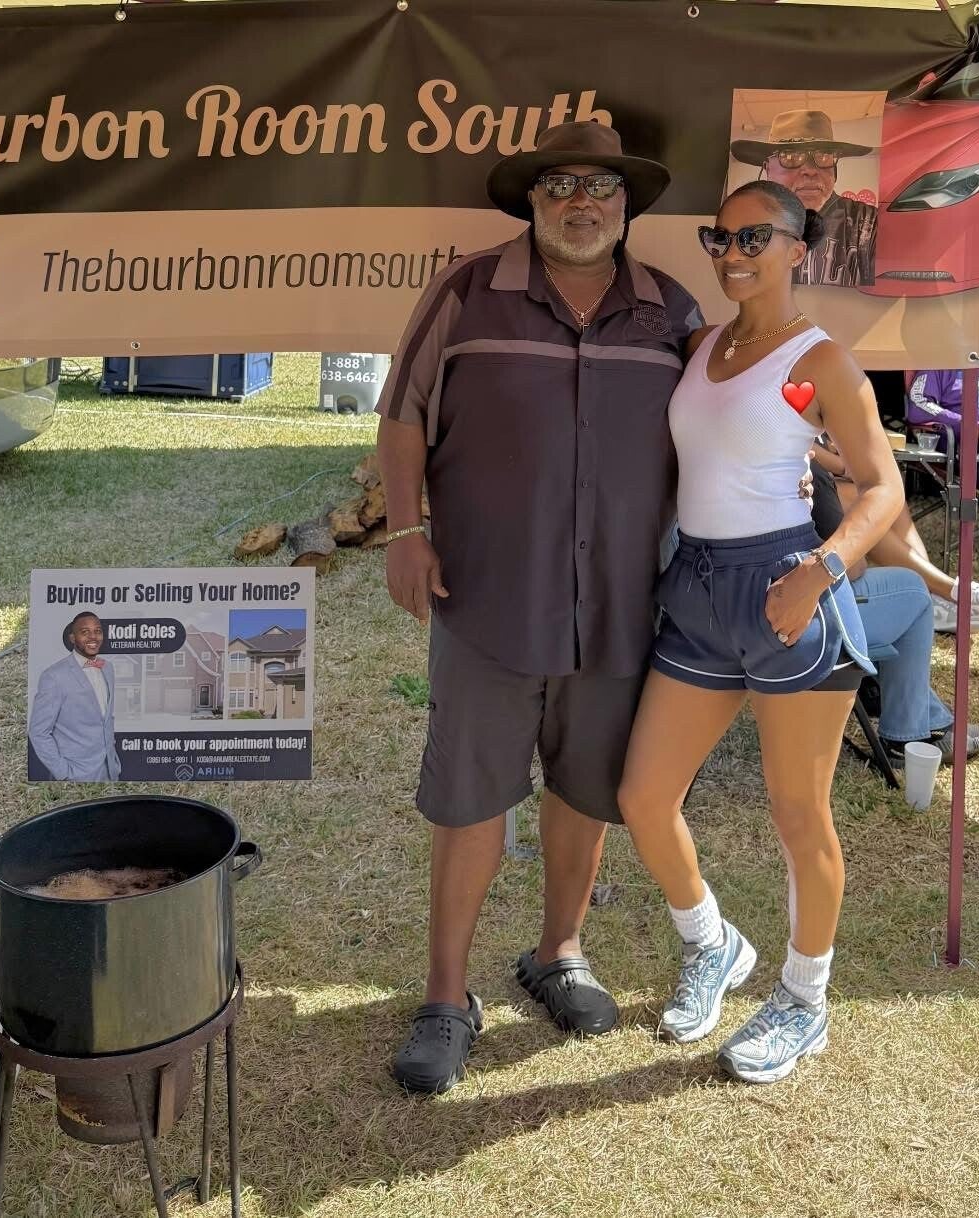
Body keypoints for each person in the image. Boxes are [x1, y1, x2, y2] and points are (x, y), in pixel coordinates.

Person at [377, 120, 704, 1094]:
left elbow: (722, 428)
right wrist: (404, 530)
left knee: (586, 788)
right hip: (485, 596)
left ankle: (559, 951)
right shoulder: (466, 293)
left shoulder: (673, 311)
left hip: (620, 606)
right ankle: (447, 996)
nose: (580, 203)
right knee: (470, 795)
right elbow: (402, 417)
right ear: (532, 198)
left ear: (627, 204)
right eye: (561, 185)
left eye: (600, 187)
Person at [617, 181, 904, 1085]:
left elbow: (883, 487)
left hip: (785, 588)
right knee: (643, 796)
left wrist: (821, 570)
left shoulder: (822, 361)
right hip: (697, 589)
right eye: (721, 237)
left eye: (754, 238)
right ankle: (712, 941)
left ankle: (804, 1001)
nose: (733, 253)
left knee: (797, 814)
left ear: (795, 249)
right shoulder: (704, 344)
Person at [809, 462, 979, 765]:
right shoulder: (806, 470)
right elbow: (853, 567)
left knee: (898, 583)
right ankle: (907, 736)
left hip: (746, 609)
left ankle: (933, 720)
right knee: (912, 591)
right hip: (802, 619)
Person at [810, 441, 979, 633]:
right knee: (866, 504)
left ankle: (930, 598)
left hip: (824, 474)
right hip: (807, 484)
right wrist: (848, 465)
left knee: (889, 494)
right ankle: (955, 592)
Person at [908, 313, 979, 624]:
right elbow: (918, 405)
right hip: (978, 454)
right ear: (968, 331)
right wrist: (978, 428)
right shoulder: (944, 364)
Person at [730, 110, 877, 287]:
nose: (810, 170)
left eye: (823, 156)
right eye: (790, 156)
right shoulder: (745, 225)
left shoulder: (868, 224)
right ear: (768, 169)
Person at [28, 611, 122, 781]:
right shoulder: (54, 676)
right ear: (72, 638)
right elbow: (38, 732)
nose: (93, 637)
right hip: (75, 775)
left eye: (97, 631)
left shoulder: (108, 668)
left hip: (109, 772)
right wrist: (63, 772)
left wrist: (113, 763)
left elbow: (106, 719)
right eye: (85, 632)